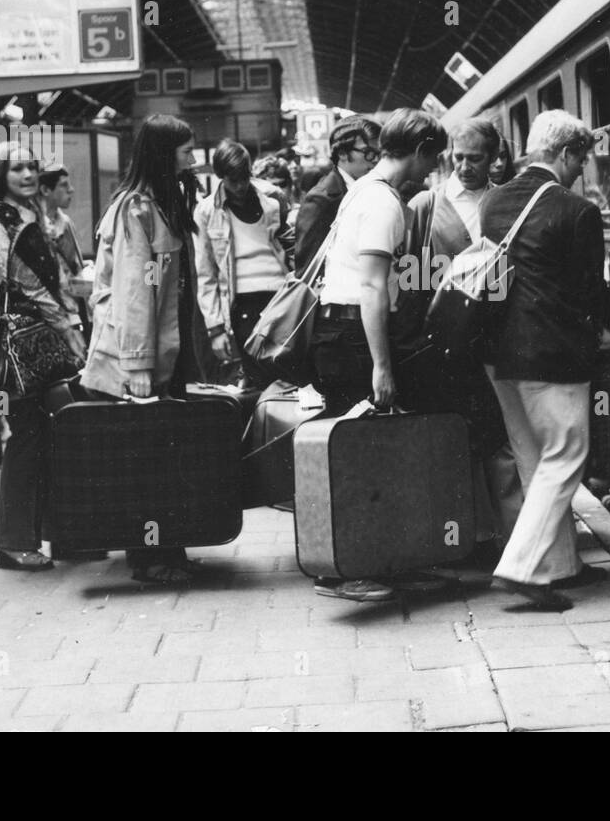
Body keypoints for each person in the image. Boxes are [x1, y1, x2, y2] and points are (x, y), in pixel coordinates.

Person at [309, 108, 446, 602]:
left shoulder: (364, 190)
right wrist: (382, 365)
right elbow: (370, 286)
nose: (434, 168)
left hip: (342, 330)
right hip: (353, 334)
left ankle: (386, 562)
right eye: (434, 157)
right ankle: (348, 571)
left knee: (373, 452)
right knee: (360, 456)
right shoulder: (384, 204)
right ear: (421, 150)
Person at [479, 110, 609, 611]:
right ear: (566, 154)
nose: (581, 170)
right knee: (566, 455)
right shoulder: (576, 211)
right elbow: (588, 293)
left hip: (498, 354)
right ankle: (523, 570)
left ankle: (560, 567)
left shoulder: (494, 201)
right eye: (581, 159)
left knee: (535, 462)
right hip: (550, 355)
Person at [81, 114, 204, 585]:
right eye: (185, 151)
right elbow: (135, 291)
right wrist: (137, 365)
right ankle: (149, 558)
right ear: (161, 155)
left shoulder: (159, 202)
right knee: (149, 463)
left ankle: (168, 551)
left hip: (167, 354)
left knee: (165, 459)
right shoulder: (136, 209)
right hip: (141, 357)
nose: (192, 159)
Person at [404, 117, 518, 556]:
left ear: (494, 159)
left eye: (476, 158)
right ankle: (464, 537)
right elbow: (409, 282)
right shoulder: (425, 206)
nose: (465, 166)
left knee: (499, 441)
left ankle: (510, 543)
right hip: (441, 346)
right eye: (459, 157)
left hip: (493, 342)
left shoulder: (505, 203)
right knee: (453, 441)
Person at [0, 146, 87, 572]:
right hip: (15, 345)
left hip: (33, 343)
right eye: (16, 167)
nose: (26, 174)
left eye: (31, 167)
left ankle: (37, 535)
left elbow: (56, 278)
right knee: (24, 439)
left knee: (39, 436)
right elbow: (28, 285)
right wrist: (68, 328)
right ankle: (14, 543)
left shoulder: (25, 217)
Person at [195, 139, 293, 388]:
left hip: (281, 297)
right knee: (258, 378)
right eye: (232, 180)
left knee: (289, 376)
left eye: (243, 178)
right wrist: (215, 329)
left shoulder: (272, 199)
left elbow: (290, 247)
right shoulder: (207, 211)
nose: (239, 186)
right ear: (220, 177)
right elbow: (205, 274)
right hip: (243, 303)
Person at [294, 115, 380, 273]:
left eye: (378, 153)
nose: (375, 160)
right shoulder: (321, 199)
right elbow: (308, 265)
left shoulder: (371, 188)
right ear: (342, 153)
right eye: (368, 152)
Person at [38, 165, 87, 331]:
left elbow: (76, 267)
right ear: (45, 190)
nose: (71, 190)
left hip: (69, 313)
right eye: (64, 185)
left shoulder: (65, 223)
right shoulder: (32, 224)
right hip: (42, 313)